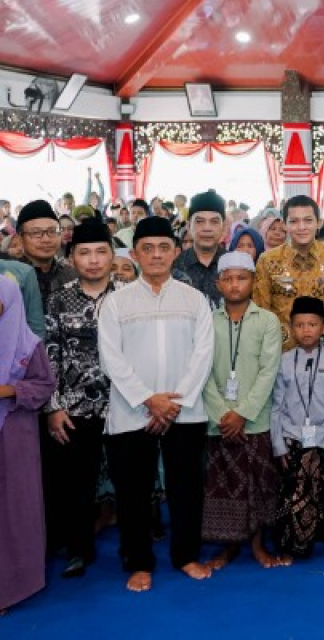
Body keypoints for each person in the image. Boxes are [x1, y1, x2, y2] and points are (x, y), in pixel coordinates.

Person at [98, 216, 215, 592]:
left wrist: (173, 402)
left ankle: (186, 556)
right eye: (147, 248)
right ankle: (138, 562)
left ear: (175, 251)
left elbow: (203, 354)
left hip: (185, 410)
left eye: (164, 247)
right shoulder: (115, 302)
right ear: (134, 254)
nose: (156, 254)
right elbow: (110, 357)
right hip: (133, 410)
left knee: (186, 488)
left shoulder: (194, 298)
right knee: (133, 492)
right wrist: (149, 399)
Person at [41, 220, 116, 579]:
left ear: (112, 256)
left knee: (130, 478)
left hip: (124, 403)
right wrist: (53, 407)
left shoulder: (128, 296)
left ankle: (135, 546)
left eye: (101, 252)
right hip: (74, 407)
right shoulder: (59, 298)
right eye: (85, 253)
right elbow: (49, 354)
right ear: (72, 257)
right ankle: (78, 549)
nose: (94, 260)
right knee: (76, 483)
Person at [201, 252, 285, 570]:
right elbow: (203, 372)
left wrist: (243, 413)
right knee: (222, 486)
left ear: (253, 281)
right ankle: (227, 547)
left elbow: (268, 371)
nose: (235, 285)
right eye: (229, 278)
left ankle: (258, 545)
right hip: (218, 421)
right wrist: (224, 414)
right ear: (218, 283)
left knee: (259, 485)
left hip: (256, 419)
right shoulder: (207, 322)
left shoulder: (267, 321)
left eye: (242, 278)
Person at [271, 297, 324, 565]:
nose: (306, 330)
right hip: (293, 438)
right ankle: (291, 545)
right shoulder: (283, 361)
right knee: (293, 494)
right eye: (300, 325)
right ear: (292, 328)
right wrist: (278, 445)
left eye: (313, 324)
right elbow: (276, 407)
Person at [0, 276, 55, 613]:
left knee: (13, 510)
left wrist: (7, 391)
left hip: (13, 438)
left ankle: (10, 586)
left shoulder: (27, 343)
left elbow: (44, 384)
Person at [253, 195, 324, 350]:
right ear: (285, 224)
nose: (301, 227)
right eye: (294, 221)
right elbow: (261, 312)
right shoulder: (268, 260)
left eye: (308, 220)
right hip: (282, 354)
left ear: (318, 223)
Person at [15, 200, 75, 310]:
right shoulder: (10, 277)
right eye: (36, 233)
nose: (46, 239)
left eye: (52, 231)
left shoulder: (72, 276)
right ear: (20, 239)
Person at [173, 189, 227, 307]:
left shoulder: (233, 265)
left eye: (214, 222)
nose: (207, 228)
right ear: (188, 226)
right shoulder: (175, 267)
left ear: (224, 227)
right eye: (199, 221)